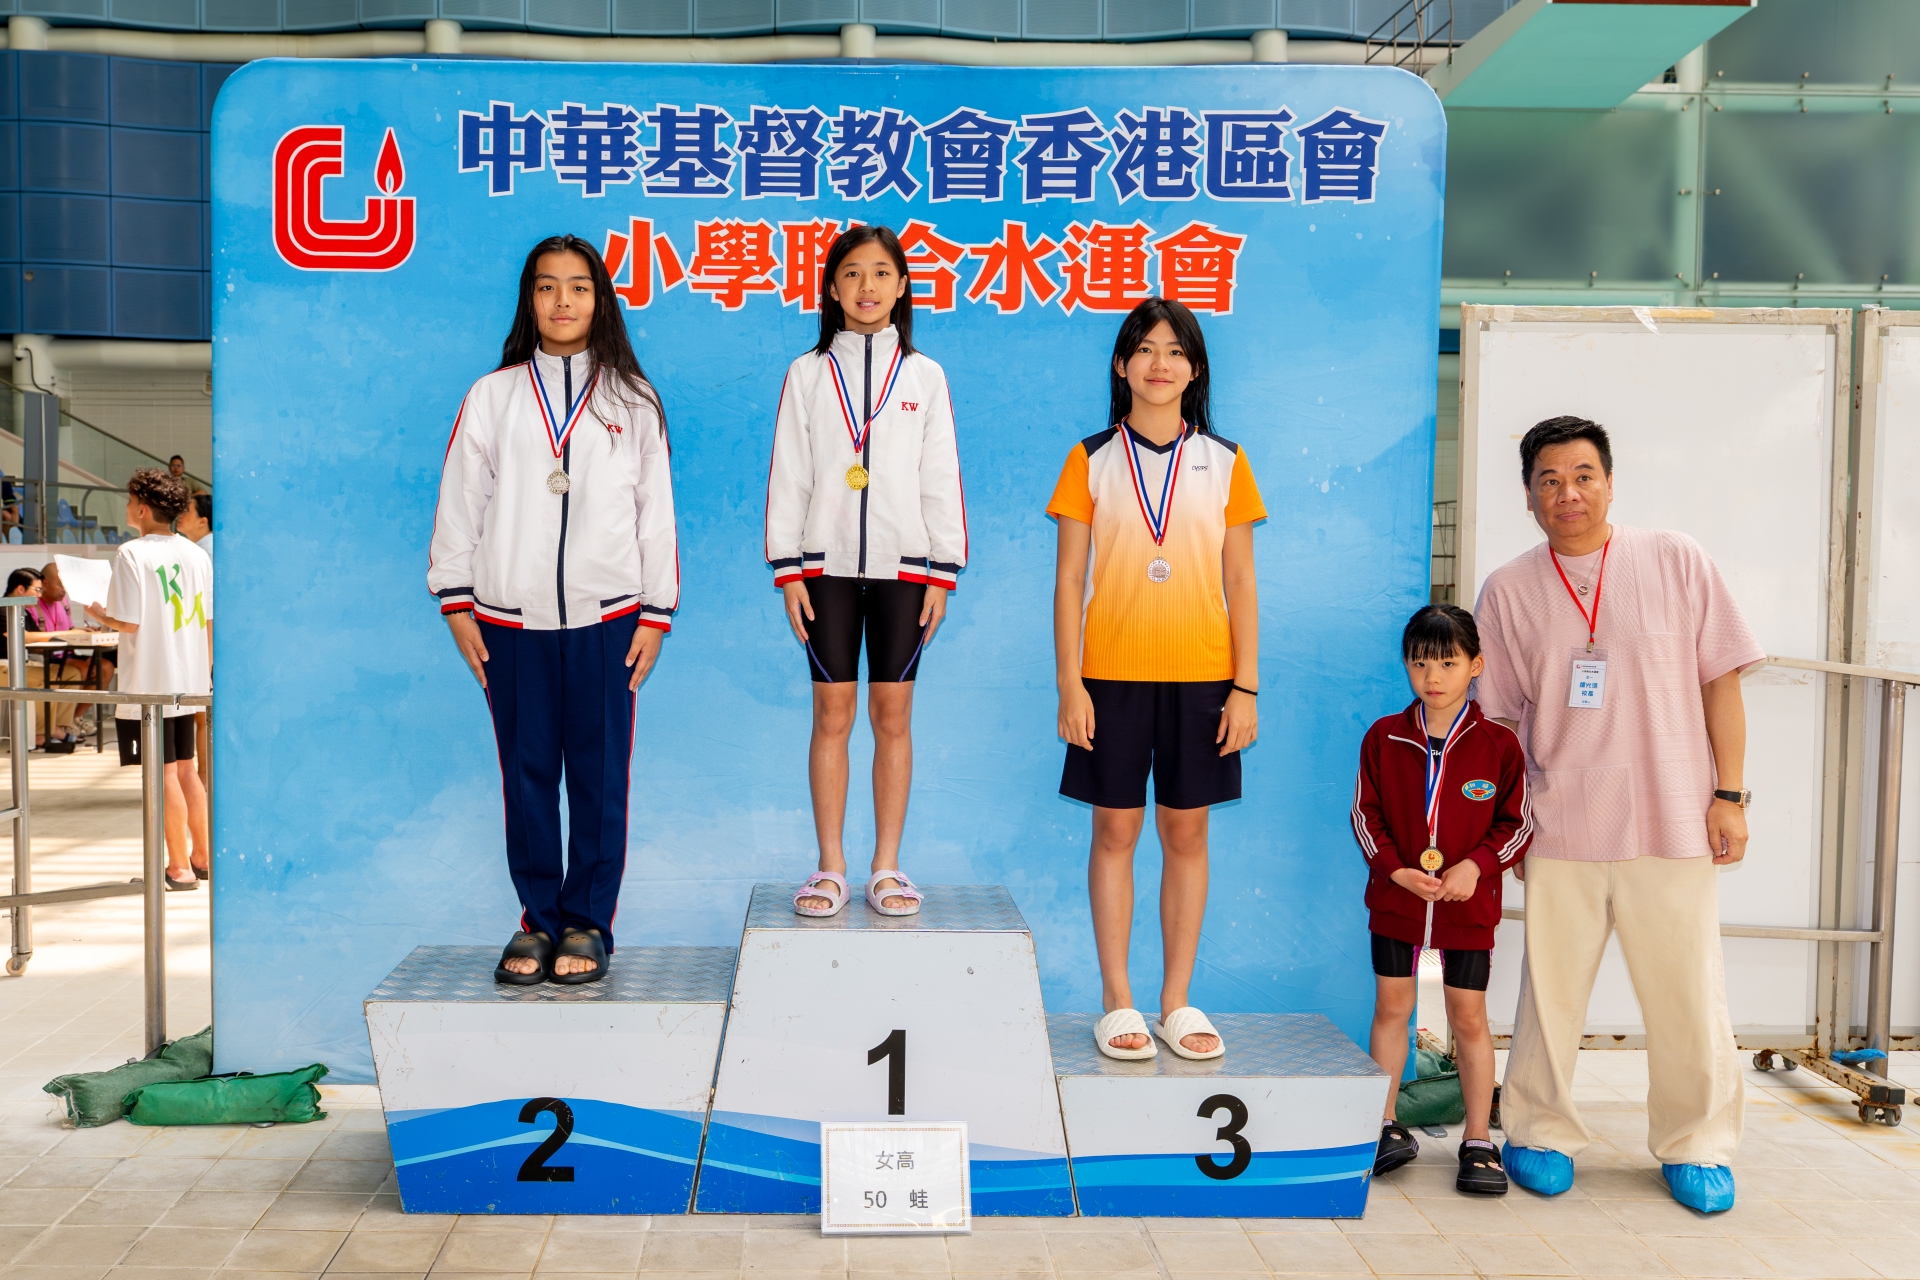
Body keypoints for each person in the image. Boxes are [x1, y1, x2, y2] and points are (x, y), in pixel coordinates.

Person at [1474, 416, 1761, 1214]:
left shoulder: (1675, 559)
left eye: (1583, 476)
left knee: (1687, 992)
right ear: (1527, 495)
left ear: (1609, 482)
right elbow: (1498, 722)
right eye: (1549, 480)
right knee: (1551, 991)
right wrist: (1508, 827)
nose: (1567, 493)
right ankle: (1538, 1130)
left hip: (1673, 816)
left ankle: (1696, 1143)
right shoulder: (1507, 589)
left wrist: (1731, 795)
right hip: (1560, 820)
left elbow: (1721, 682)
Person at [429, 233, 678, 986]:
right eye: (546, 286)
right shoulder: (493, 396)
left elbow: (656, 513)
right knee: (527, 774)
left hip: (610, 619)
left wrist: (656, 612)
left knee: (600, 779)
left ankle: (588, 921)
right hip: (510, 621)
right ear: (528, 300)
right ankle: (538, 919)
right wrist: (456, 602)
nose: (562, 301)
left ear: (600, 300)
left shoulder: (632, 400)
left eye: (578, 286)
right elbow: (461, 502)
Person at [1048, 297, 1263, 1062]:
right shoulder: (1090, 459)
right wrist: (1071, 685)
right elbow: (1068, 582)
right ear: (1121, 364)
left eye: (1175, 350)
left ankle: (1175, 1000)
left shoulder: (1227, 462)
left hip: (1203, 681)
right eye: (1144, 349)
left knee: (1186, 833)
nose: (1159, 363)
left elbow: (1242, 580)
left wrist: (1245, 687)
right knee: (1114, 832)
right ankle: (1118, 999)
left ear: (1195, 369)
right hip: (1109, 679)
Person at [766, 225, 966, 920]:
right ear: (831, 288)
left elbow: (940, 475)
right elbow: (790, 473)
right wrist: (789, 568)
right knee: (831, 713)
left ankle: (886, 865)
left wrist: (942, 571)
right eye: (852, 273)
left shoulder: (925, 376)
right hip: (822, 569)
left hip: (903, 570)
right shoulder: (807, 373)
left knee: (892, 715)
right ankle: (831, 867)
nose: (867, 286)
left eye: (882, 273)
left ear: (903, 286)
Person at [1351, 604, 1532, 1195]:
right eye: (1420, 662)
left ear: (1475, 665)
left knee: (1468, 1016)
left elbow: (1517, 824)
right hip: (1397, 902)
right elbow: (1365, 815)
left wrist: (1476, 867)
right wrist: (1395, 871)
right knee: (1391, 1009)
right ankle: (1384, 1125)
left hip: (1467, 908)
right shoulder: (1384, 737)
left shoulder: (1500, 745)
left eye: (1448, 663)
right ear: (1406, 664)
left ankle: (1478, 1140)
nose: (1432, 676)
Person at [84, 468, 210, 889]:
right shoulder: (196, 553)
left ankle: (179, 868)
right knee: (187, 769)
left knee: (165, 773)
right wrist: (204, 674)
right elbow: (208, 620)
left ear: (142, 508)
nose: (127, 507)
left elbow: (129, 622)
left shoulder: (131, 553)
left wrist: (98, 613)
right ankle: (201, 857)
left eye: (129, 500)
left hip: (151, 680)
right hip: (189, 678)